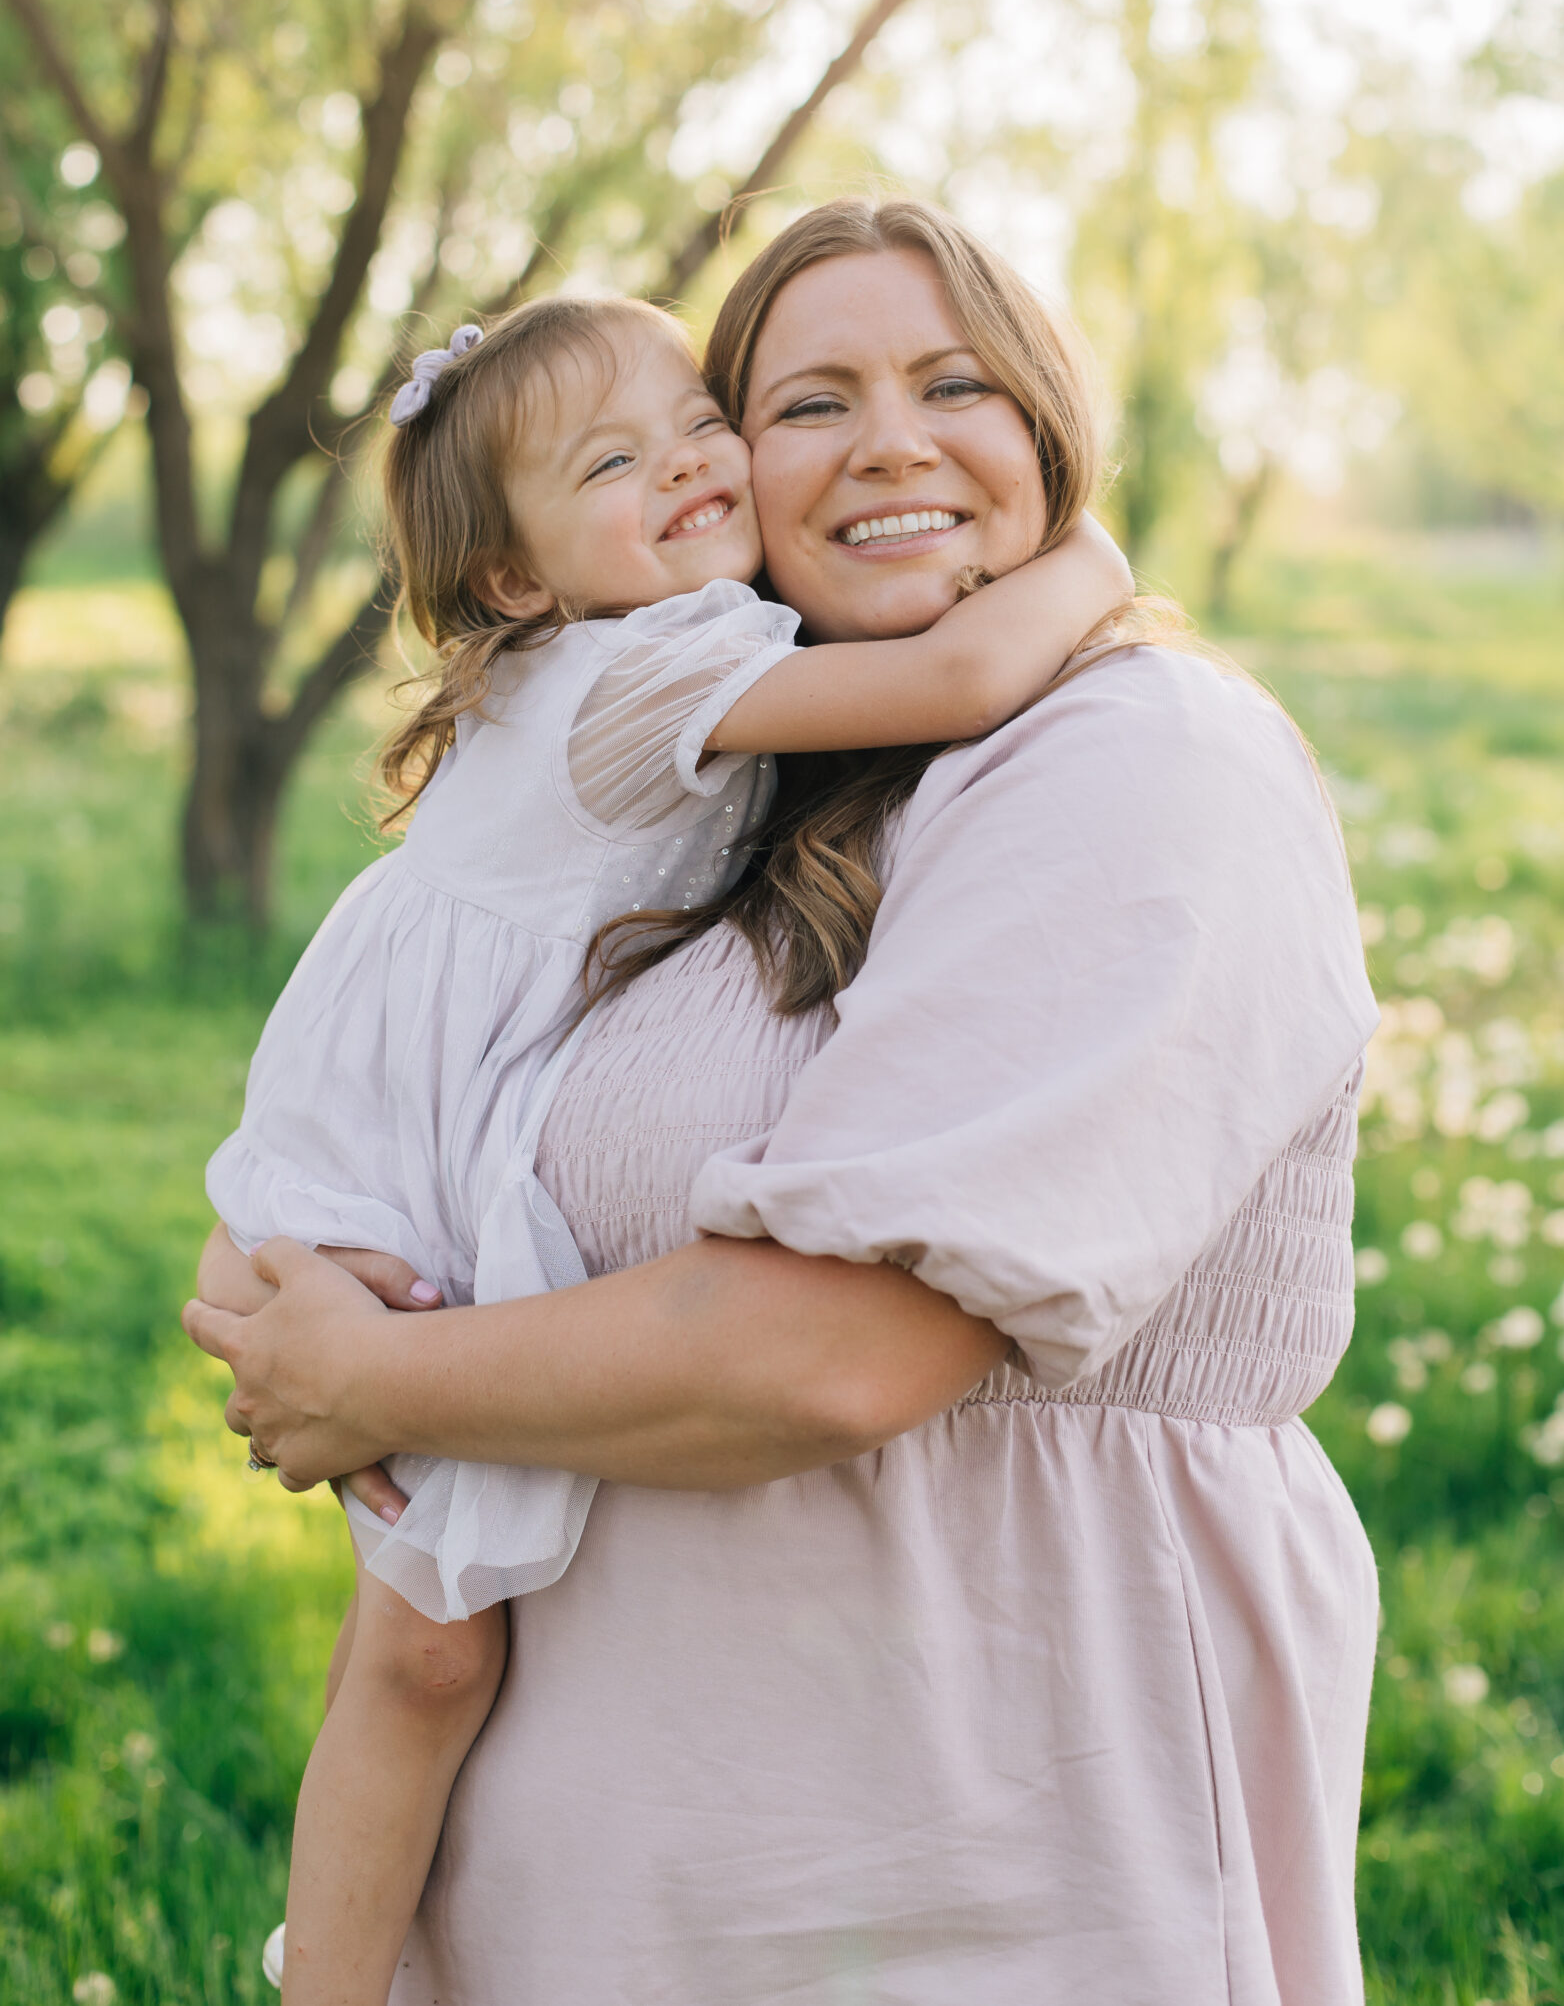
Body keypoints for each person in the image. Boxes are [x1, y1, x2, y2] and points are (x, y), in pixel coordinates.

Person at [188, 197, 1382, 2006]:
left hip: (985, 1866)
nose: (891, 439)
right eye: (810, 401)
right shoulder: (753, 786)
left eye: (956, 381)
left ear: (1054, 424)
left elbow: (837, 1353)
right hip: (630, 1902)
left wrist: (369, 1374)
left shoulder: (1139, 756)